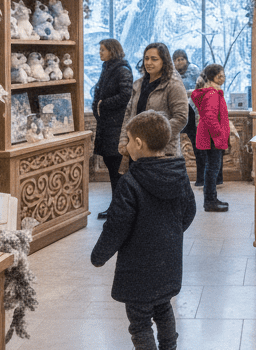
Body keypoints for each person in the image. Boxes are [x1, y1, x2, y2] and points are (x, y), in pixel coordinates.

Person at [91, 111, 196, 350]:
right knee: (163, 307)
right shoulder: (179, 175)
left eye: (128, 140)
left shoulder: (130, 182)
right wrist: (171, 232)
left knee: (139, 322)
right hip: (169, 261)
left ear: (138, 144)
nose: (126, 145)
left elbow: (116, 226)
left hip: (138, 268)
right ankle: (169, 347)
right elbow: (189, 211)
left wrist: (99, 255)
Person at [119, 43, 189, 158]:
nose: (148, 63)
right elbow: (128, 114)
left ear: (164, 61)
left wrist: (152, 139)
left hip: (162, 152)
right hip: (136, 150)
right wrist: (124, 141)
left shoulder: (173, 84)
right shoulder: (138, 84)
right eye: (146, 58)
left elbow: (181, 118)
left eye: (154, 59)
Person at [92, 39, 134, 220]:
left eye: (103, 49)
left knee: (118, 170)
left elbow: (126, 96)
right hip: (107, 126)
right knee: (112, 169)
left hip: (116, 128)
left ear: (112, 51)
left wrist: (103, 104)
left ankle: (120, 210)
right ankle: (117, 208)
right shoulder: (108, 68)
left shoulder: (122, 70)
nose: (100, 53)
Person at [190, 64, 230, 212]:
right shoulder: (212, 94)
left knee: (211, 168)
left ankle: (212, 198)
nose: (223, 78)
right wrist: (220, 134)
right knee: (212, 169)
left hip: (211, 135)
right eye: (220, 75)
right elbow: (210, 117)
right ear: (213, 77)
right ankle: (210, 201)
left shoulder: (213, 92)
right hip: (213, 137)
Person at [173, 49, 205, 187]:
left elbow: (201, 88)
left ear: (186, 59)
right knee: (173, 146)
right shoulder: (172, 74)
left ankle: (201, 178)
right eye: (177, 59)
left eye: (182, 59)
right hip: (177, 111)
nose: (180, 62)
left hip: (192, 110)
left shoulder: (194, 70)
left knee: (197, 146)